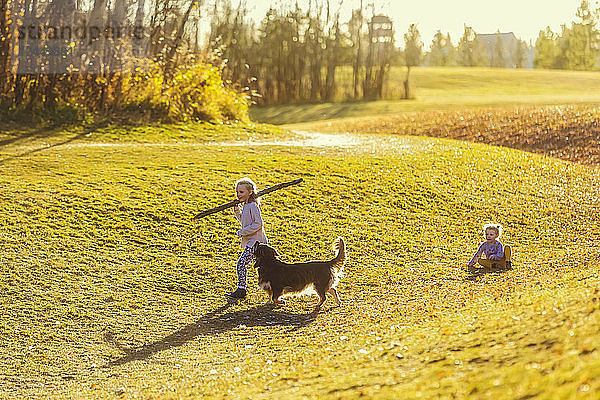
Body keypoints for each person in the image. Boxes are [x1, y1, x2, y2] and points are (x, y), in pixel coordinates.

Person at [227, 177, 268, 299]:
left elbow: (258, 224)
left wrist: (242, 232)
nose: (238, 194)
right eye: (237, 192)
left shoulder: (253, 206)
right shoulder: (245, 206)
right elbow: (244, 221)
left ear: (250, 192)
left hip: (256, 243)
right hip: (252, 242)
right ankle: (242, 289)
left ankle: (241, 289)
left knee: (241, 264)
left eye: (241, 192)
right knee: (258, 266)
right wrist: (236, 210)